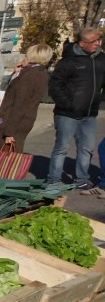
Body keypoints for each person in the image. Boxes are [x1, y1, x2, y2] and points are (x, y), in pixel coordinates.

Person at [47, 27, 105, 189]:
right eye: (94, 42)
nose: (98, 44)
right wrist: (68, 104)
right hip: (67, 114)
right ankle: (53, 181)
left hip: (90, 114)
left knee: (86, 149)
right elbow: (54, 86)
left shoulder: (101, 59)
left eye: (99, 41)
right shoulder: (68, 61)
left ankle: (81, 180)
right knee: (61, 148)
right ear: (82, 43)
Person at [0, 44, 53, 154]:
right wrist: (17, 73)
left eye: (26, 56)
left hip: (10, 122)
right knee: (9, 157)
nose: (23, 58)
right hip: (23, 121)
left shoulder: (29, 76)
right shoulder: (41, 73)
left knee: (1, 157)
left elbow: (19, 105)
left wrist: (9, 132)